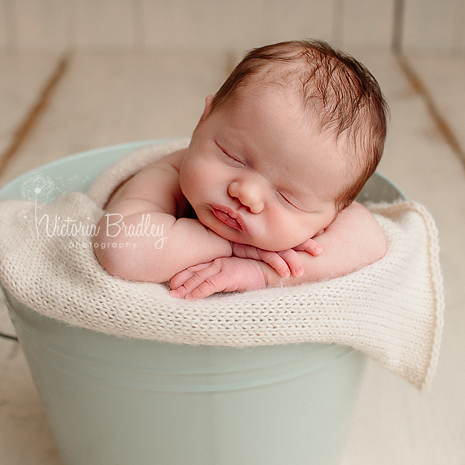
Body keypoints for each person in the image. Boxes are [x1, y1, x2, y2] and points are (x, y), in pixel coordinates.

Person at [93, 39, 389, 299]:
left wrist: (261, 272)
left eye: (288, 198)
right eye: (233, 157)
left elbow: (372, 242)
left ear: (337, 211)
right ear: (203, 120)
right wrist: (231, 246)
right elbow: (119, 246)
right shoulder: (167, 176)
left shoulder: (332, 210)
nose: (247, 194)